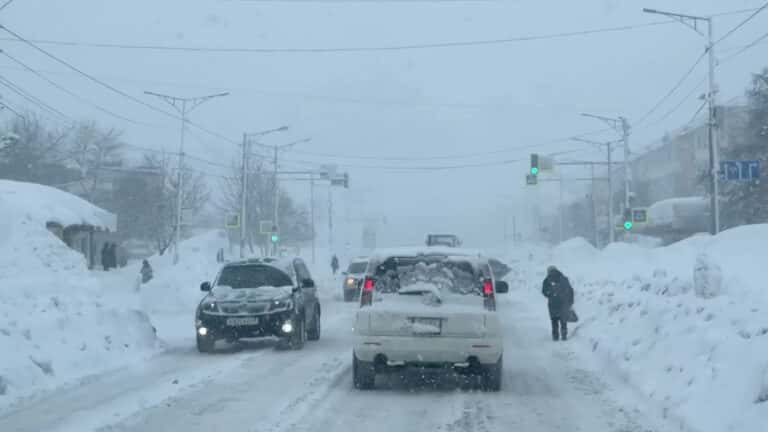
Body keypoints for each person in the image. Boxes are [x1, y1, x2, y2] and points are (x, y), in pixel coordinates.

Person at [542, 265, 574, 341]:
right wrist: (570, 301)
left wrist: (550, 295)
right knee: (563, 320)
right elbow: (570, 290)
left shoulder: (547, 280)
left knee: (554, 320)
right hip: (563, 303)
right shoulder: (563, 278)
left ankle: (555, 336)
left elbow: (544, 291)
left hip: (552, 304)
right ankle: (564, 335)